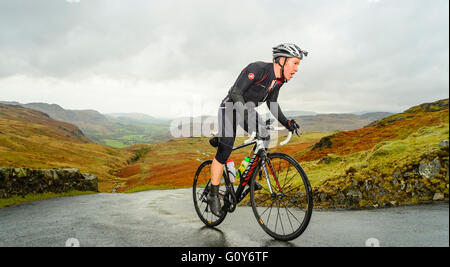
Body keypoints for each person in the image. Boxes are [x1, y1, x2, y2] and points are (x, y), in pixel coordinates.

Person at [208, 43, 307, 216]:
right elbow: (236, 93)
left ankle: (248, 178)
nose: (297, 69)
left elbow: (273, 104)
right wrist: (246, 115)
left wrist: (287, 123)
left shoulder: (279, 80)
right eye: (295, 63)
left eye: (298, 64)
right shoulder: (258, 69)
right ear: (282, 60)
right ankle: (213, 194)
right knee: (225, 149)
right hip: (230, 107)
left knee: (265, 136)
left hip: (248, 111)